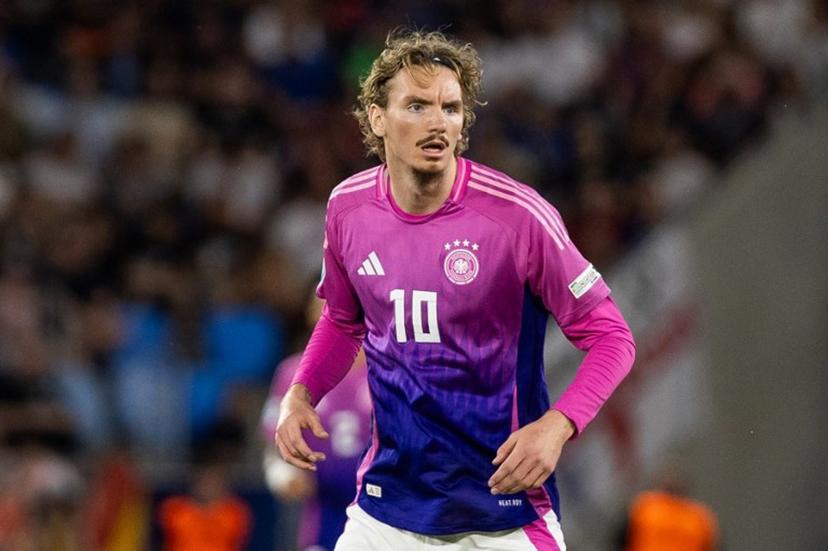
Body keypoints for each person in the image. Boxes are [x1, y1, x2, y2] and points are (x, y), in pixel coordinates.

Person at [276, 29, 636, 550]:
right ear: (378, 119)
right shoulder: (347, 209)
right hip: (385, 513)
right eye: (417, 106)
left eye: (450, 108)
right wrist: (301, 391)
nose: (437, 122)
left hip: (502, 516)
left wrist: (557, 426)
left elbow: (613, 337)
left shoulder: (518, 218)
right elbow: (342, 317)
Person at [260, 294, 371, 551]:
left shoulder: (387, 369)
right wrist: (282, 474)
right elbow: (272, 447)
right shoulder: (292, 373)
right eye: (322, 300)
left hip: (382, 504)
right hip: (322, 510)